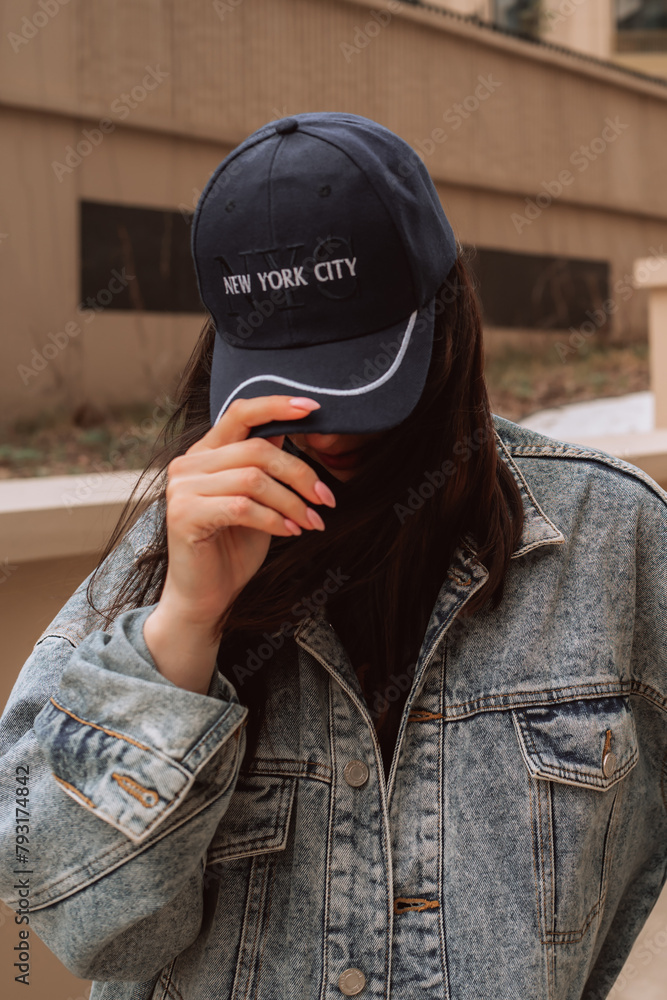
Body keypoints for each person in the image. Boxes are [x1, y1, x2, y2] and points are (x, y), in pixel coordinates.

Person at [1, 111, 666, 1000]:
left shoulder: (610, 538)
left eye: (355, 373)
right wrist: (184, 631)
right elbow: (73, 915)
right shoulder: (167, 558)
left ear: (446, 311)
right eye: (285, 378)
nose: (324, 427)